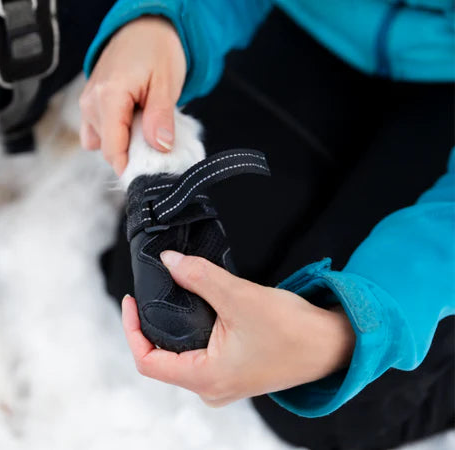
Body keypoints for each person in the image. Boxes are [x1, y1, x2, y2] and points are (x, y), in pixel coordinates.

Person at [79, 1, 455, 448]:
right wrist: (163, 21)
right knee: (173, 289)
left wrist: (341, 333)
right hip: (314, 22)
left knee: (333, 402)